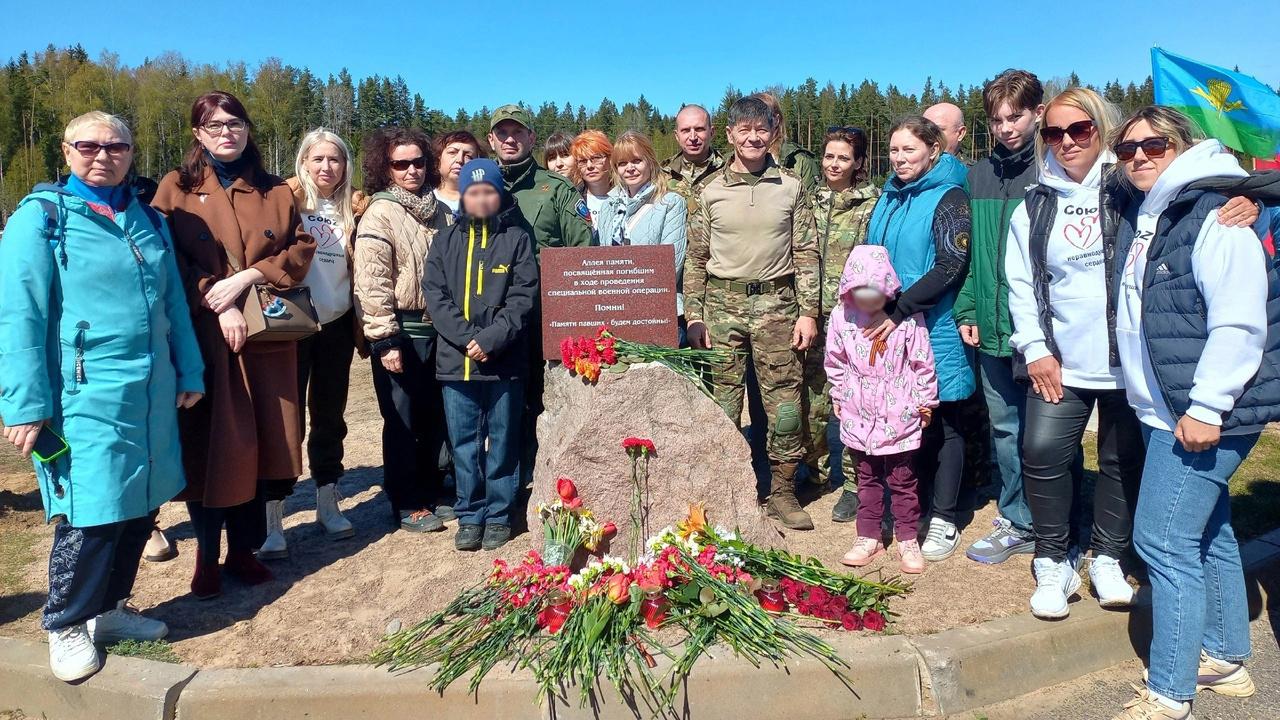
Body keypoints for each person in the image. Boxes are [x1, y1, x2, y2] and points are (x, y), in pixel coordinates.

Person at [0, 111, 204, 682]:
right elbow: (19, 316)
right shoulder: (39, 219)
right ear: (66, 151)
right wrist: (23, 403)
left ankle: (109, 610)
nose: (102, 155)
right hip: (84, 391)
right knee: (91, 510)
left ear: (132, 152)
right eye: (87, 145)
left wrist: (189, 370)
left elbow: (171, 307)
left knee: (142, 500)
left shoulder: (146, 218)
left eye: (116, 146)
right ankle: (65, 624)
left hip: (151, 386)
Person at [1109, 107, 1280, 720]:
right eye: (1126, 150)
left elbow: (1238, 322)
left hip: (1206, 411)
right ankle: (1229, 659)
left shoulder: (1216, 217)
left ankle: (1170, 693)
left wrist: (1207, 406)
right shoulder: (1156, 210)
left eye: (1152, 146)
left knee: (1163, 541)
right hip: (1169, 407)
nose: (1137, 158)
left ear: (1183, 146)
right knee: (1209, 531)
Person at [153, 91, 315, 600]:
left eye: (236, 123)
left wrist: (247, 276)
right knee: (210, 448)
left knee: (261, 445)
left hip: (266, 334)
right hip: (205, 338)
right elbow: (166, 259)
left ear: (248, 130)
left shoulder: (275, 191)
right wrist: (214, 298)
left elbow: (300, 249)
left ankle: (243, 551)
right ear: (198, 134)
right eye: (215, 125)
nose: (227, 132)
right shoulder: (176, 189)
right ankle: (205, 556)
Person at [1005, 89, 1145, 618]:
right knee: (1042, 453)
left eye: (1079, 130)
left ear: (1101, 129)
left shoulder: (1132, 187)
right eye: (1054, 133)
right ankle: (1053, 559)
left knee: (1119, 458)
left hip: (1126, 357)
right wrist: (1036, 348)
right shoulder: (1035, 203)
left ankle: (1106, 556)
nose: (1066, 142)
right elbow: (1021, 282)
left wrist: (1240, 201)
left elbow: (1206, 183)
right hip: (1060, 358)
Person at [684, 96, 819, 530]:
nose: (753, 138)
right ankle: (727, 487)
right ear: (730, 135)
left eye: (761, 130)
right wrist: (694, 317)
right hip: (723, 307)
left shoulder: (792, 186)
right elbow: (695, 258)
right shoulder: (710, 191)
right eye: (744, 130)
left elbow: (806, 251)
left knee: (784, 405)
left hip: (779, 307)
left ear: (772, 134)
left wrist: (809, 312)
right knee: (723, 403)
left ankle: (781, 491)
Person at [865, 116, 973, 562]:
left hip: (933, 325)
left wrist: (901, 308)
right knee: (906, 419)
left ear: (934, 150)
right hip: (889, 324)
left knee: (945, 420)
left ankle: (945, 516)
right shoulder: (888, 196)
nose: (900, 158)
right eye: (894, 150)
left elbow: (952, 264)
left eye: (909, 150)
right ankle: (915, 505)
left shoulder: (949, 196)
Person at [954, 69, 1047, 565]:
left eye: (1017, 116)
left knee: (1049, 435)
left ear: (1037, 112)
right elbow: (970, 256)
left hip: (1044, 335)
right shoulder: (979, 175)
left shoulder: (1054, 168)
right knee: (1007, 430)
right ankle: (1019, 520)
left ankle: (1057, 525)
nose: (1007, 127)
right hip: (991, 328)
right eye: (997, 120)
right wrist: (968, 307)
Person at [424, 158, 539, 552]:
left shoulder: (517, 239)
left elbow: (523, 297)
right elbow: (436, 296)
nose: (482, 198)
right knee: (464, 443)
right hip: (457, 363)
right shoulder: (445, 239)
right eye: (474, 192)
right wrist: (467, 339)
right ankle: (470, 513)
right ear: (463, 196)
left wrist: (491, 339)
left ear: (499, 194)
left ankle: (499, 513)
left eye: (489, 190)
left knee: (504, 440)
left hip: (504, 361)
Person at [354, 127, 453, 533]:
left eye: (418, 162)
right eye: (401, 163)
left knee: (434, 416)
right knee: (402, 419)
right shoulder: (381, 211)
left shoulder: (442, 210)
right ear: (386, 167)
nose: (411, 170)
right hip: (402, 329)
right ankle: (406, 500)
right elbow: (372, 279)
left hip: (441, 330)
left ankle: (430, 490)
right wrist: (384, 338)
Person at [274, 128, 368, 555]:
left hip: (336, 324)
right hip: (291, 325)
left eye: (335, 159)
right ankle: (272, 513)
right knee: (284, 418)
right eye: (318, 159)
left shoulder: (356, 206)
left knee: (330, 414)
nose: (327, 167)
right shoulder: (284, 200)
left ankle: (327, 500)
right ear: (303, 162)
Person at [827, 246, 938, 574]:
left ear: (887, 287)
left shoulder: (906, 319)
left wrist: (926, 401)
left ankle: (906, 537)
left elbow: (922, 362)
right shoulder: (841, 316)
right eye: (858, 292)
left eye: (873, 292)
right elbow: (835, 360)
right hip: (858, 409)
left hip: (898, 410)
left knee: (903, 479)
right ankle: (868, 535)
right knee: (867, 477)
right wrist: (839, 393)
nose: (865, 300)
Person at [805, 127, 881, 522]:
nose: (834, 164)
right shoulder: (810, 200)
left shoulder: (872, 204)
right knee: (814, 400)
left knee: (854, 403)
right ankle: (817, 472)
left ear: (859, 163)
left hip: (853, 318)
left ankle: (856, 484)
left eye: (843, 158)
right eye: (829, 156)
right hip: (810, 314)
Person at [596, 130, 688, 337]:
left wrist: (631, 296)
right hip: (616, 313)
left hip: (659, 312)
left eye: (636, 161)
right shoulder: (608, 207)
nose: (630, 168)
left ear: (650, 162)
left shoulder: (670, 203)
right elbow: (602, 261)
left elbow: (671, 265)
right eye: (622, 163)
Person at [488, 104, 593, 253]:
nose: (510, 139)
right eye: (502, 133)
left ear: (531, 139)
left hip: (542, 276)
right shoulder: (478, 188)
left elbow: (583, 252)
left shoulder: (559, 189)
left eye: (518, 132)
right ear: (491, 140)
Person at [752, 92, 819, 192]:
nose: (757, 121)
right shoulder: (735, 159)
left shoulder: (799, 161)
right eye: (751, 115)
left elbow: (811, 204)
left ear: (776, 120)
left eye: (763, 114)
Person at [661, 104, 725, 203]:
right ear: (677, 136)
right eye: (685, 130)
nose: (693, 137)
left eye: (699, 129)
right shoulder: (661, 175)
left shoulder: (728, 170)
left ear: (711, 132)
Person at [571, 129, 616, 234]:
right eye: (582, 161)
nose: (589, 166)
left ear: (610, 159)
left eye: (596, 158)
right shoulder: (572, 200)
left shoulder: (627, 197)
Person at [433, 130, 486, 216]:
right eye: (452, 152)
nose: (460, 160)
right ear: (438, 158)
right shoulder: (423, 200)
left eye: (468, 156)